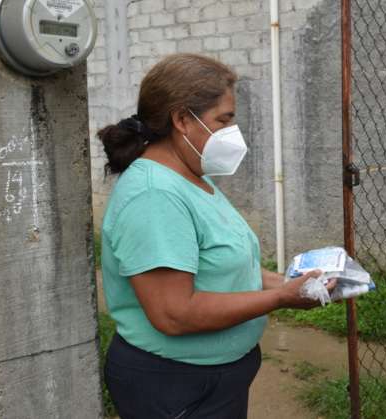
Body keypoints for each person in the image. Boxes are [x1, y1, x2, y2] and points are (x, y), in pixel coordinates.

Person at [98, 53, 334, 419]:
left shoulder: (194, 176)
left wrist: (292, 282)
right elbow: (174, 314)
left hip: (213, 380)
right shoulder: (153, 194)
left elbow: (226, 269)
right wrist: (279, 298)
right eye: (222, 120)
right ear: (181, 120)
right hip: (175, 385)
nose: (231, 132)